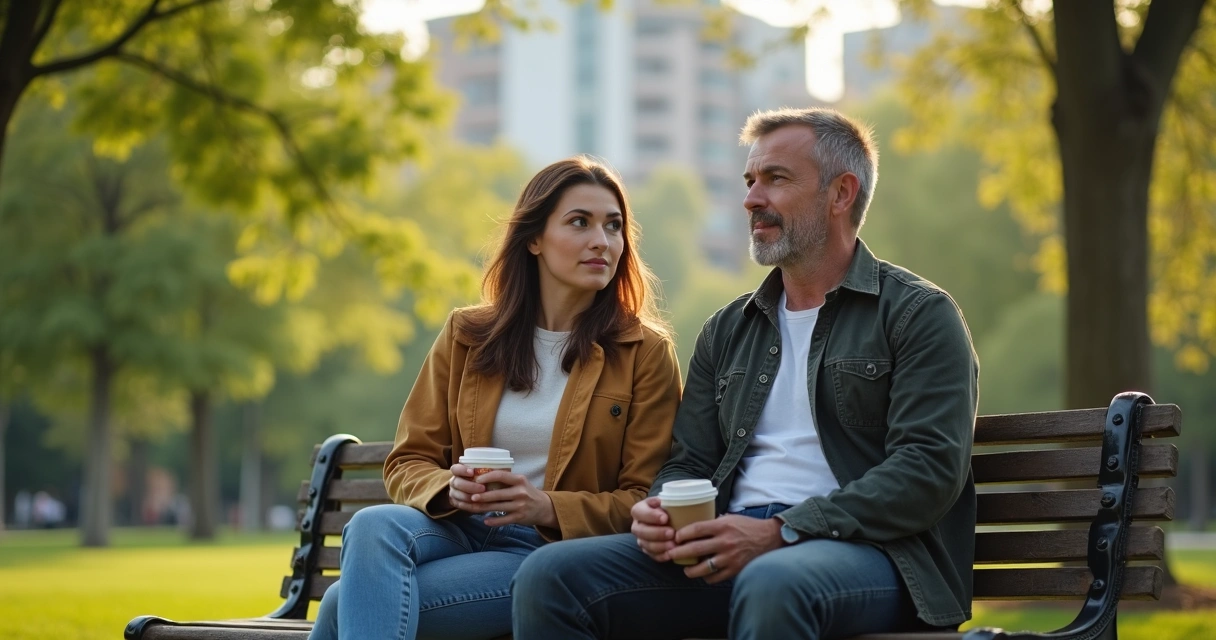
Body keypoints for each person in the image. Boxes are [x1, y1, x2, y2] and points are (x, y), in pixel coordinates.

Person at [511, 108, 979, 640]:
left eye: (776, 179)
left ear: (841, 193)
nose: (752, 199)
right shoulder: (728, 329)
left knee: (774, 582)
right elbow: (690, 460)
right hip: (730, 545)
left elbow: (927, 470)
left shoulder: (918, 315)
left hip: (874, 554)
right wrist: (661, 510)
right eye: (750, 181)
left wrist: (780, 531)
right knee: (551, 576)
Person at [308, 157, 682, 640]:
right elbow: (409, 460)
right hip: (455, 529)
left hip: (547, 553)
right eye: (579, 222)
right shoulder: (469, 335)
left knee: (341, 604)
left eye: (614, 227)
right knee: (372, 525)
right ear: (533, 239)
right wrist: (450, 488)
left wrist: (544, 506)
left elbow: (644, 498)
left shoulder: (643, 352)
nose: (602, 241)